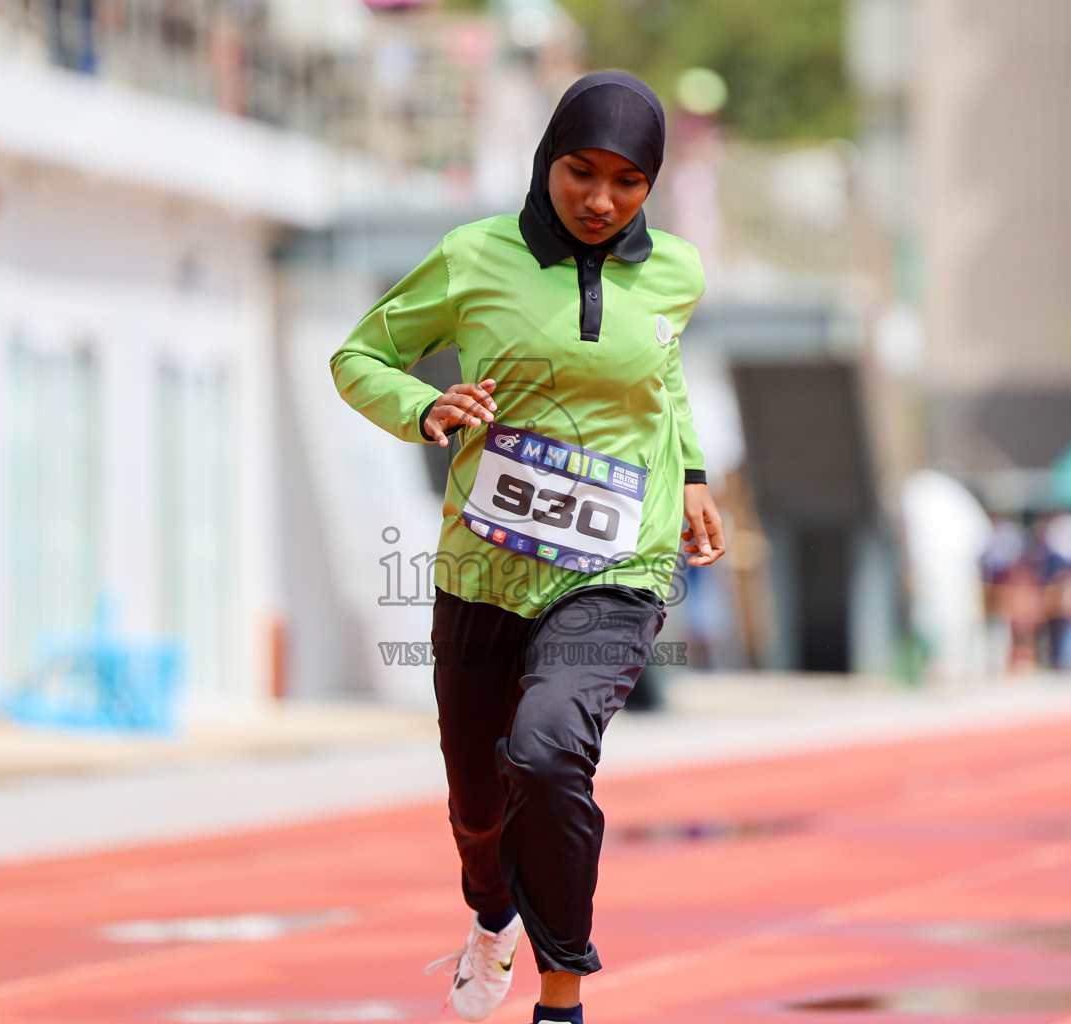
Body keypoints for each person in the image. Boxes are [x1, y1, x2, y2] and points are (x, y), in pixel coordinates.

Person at [330, 72, 726, 1024]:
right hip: (484, 569)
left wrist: (696, 477)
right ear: (546, 160)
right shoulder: (473, 258)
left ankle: (562, 997)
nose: (601, 201)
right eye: (580, 173)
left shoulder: (675, 270)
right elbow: (359, 357)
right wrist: (426, 407)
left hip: (616, 569)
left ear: (653, 184)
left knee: (549, 753)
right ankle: (489, 912)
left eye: (628, 182)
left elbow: (659, 384)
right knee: (477, 804)